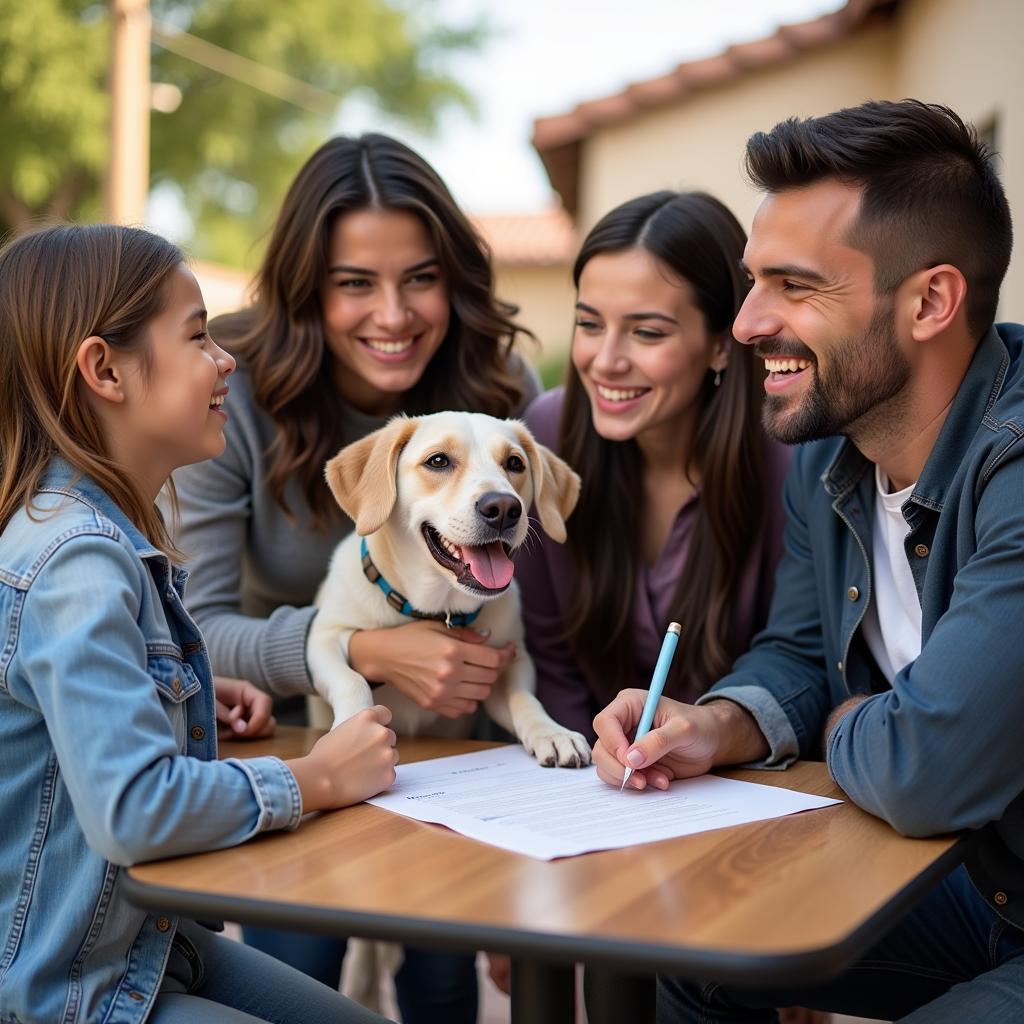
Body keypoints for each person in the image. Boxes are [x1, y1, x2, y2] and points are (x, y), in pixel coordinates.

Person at [592, 99, 1023, 1023]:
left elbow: (923, 772)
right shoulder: (827, 453)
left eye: (794, 285)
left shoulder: (1016, 463)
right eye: (753, 281)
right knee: (693, 940)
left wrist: (850, 722)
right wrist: (712, 726)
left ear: (930, 302)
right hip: (970, 881)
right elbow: (795, 652)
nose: (745, 324)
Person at [171, 133, 538, 1022]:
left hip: (461, 769)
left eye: (420, 277)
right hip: (301, 743)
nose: (394, 314)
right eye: (354, 284)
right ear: (307, 292)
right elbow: (197, 629)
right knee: (301, 975)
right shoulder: (230, 392)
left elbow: (537, 610)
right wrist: (372, 650)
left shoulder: (499, 385)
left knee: (443, 988)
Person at [0, 223, 397, 1024]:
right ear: (104, 369)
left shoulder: (97, 531)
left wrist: (177, 701)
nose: (227, 360)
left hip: (145, 946)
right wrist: (315, 779)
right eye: (197, 336)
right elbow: (134, 810)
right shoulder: (75, 558)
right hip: (70, 989)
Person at [512, 190, 818, 1024]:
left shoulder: (790, 461)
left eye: (646, 332)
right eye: (588, 323)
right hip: (599, 802)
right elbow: (555, 661)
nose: (606, 360)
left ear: (722, 343)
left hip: (749, 814)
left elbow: (805, 666)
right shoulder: (541, 440)